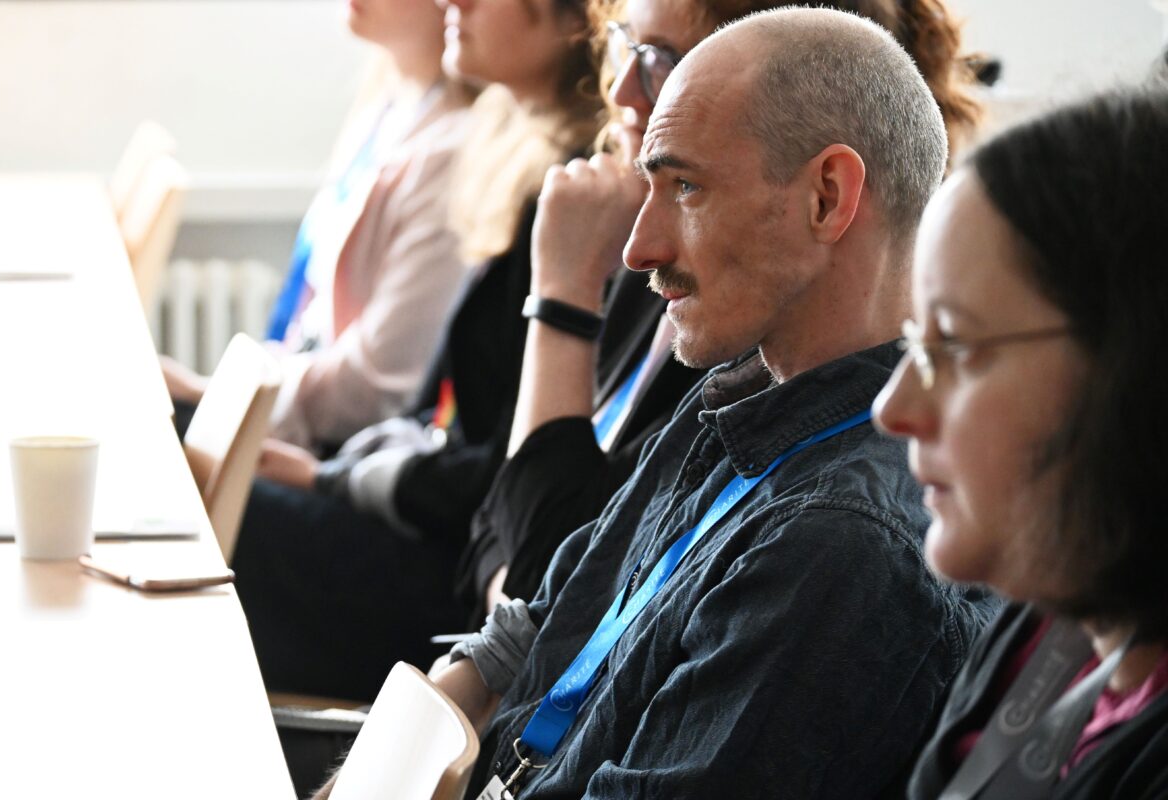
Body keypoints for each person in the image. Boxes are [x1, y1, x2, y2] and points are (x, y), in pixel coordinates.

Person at [319, 8, 997, 798]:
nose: (639, 248)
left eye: (686, 188)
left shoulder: (839, 547)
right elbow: (548, 611)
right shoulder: (737, 401)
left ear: (827, 197)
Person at [459, 0, 984, 620]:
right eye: (625, 46)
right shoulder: (657, 266)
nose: (623, 89)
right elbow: (501, 518)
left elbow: (544, 575)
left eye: (658, 59)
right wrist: (504, 642)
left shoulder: (754, 324)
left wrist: (561, 300)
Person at [232, 0, 604, 703]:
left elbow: (503, 462)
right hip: (438, 513)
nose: (452, 1)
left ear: (573, 21)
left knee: (226, 519)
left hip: (456, 565)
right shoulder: (508, 147)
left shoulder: (575, 192)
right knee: (215, 493)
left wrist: (332, 481)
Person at [873, 89, 1168, 798]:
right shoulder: (1049, 614)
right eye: (914, 344)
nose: (892, 409)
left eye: (954, 345)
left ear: (1136, 367)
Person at [163, 0, 474, 452]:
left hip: (335, 451)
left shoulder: (452, 154)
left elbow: (375, 384)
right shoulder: (386, 104)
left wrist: (213, 394)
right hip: (295, 408)